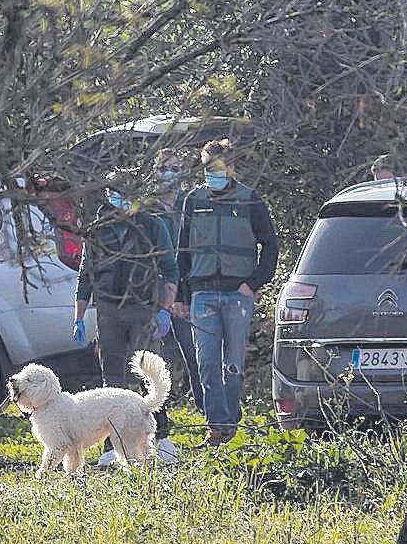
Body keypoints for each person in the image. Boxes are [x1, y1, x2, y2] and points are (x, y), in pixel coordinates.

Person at [174, 140, 279, 446]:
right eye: (208, 168)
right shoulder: (193, 199)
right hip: (202, 295)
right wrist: (181, 295)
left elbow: (270, 245)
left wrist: (255, 282)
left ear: (231, 167)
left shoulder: (250, 199)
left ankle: (230, 422)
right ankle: (217, 426)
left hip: (238, 295)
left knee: (232, 366)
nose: (214, 173)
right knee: (206, 362)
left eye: (219, 168)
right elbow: (183, 250)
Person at [73, 171, 179, 466]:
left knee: (148, 375)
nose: (117, 197)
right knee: (113, 380)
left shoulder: (152, 225)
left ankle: (163, 439)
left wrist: (164, 309)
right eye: (113, 191)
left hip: (143, 308)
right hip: (108, 311)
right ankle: (112, 447)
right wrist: (78, 317)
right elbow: (85, 275)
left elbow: (170, 270)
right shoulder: (96, 228)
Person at [150, 149, 203, 413]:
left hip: (185, 291)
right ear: (154, 173)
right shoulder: (146, 207)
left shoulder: (190, 203)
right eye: (164, 169)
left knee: (195, 355)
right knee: (152, 359)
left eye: (174, 169)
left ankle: (205, 410)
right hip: (154, 294)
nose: (169, 175)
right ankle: (158, 415)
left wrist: (179, 295)